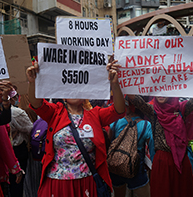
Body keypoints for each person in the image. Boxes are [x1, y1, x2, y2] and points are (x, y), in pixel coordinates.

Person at [26, 58, 125, 197]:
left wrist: (115, 84)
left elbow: (119, 110)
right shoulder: (55, 112)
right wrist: (32, 82)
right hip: (58, 183)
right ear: (63, 97)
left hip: (87, 182)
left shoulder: (95, 114)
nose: (74, 91)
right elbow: (36, 104)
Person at [127, 63, 193, 197]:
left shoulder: (181, 108)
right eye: (158, 90)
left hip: (181, 161)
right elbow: (136, 100)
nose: (161, 94)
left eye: (165, 90)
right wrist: (124, 77)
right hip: (162, 163)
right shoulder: (153, 111)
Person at [109, 97, 153, 197]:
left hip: (115, 166)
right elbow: (151, 148)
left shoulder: (116, 121)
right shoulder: (146, 125)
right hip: (136, 169)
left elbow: (108, 141)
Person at [9, 89, 33, 197]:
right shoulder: (17, 112)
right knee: (18, 180)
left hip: (7, 149)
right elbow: (30, 128)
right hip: (18, 148)